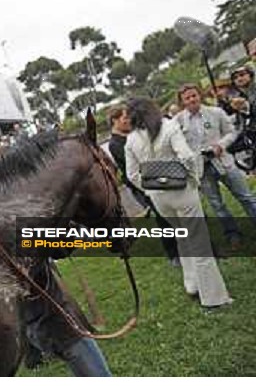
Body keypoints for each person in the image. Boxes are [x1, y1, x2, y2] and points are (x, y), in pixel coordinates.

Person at [125, 98, 232, 309]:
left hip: (159, 198)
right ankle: (214, 298)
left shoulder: (131, 140)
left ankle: (192, 284)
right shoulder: (168, 126)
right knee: (198, 242)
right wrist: (194, 179)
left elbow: (131, 174)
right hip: (182, 191)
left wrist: (150, 188)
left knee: (182, 238)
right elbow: (187, 157)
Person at [175, 83, 256, 247]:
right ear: (182, 102)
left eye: (194, 95)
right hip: (201, 168)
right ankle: (232, 233)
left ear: (200, 96)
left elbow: (232, 131)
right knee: (217, 204)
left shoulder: (215, 112)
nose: (192, 100)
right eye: (187, 98)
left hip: (223, 161)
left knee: (245, 196)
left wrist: (221, 145)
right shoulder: (177, 122)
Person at [105, 106, 179, 264]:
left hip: (153, 177)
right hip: (141, 184)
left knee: (168, 213)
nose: (128, 121)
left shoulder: (131, 135)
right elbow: (133, 167)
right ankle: (173, 253)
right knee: (162, 217)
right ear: (115, 121)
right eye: (124, 119)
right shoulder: (115, 144)